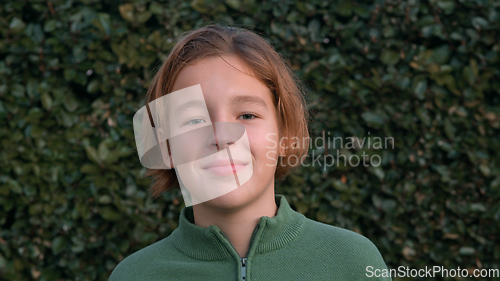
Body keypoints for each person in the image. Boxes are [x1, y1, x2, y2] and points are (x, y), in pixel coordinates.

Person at [109, 24, 391, 281]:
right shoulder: (134, 275)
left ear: (283, 134)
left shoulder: (353, 262)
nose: (221, 137)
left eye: (246, 115)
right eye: (194, 120)